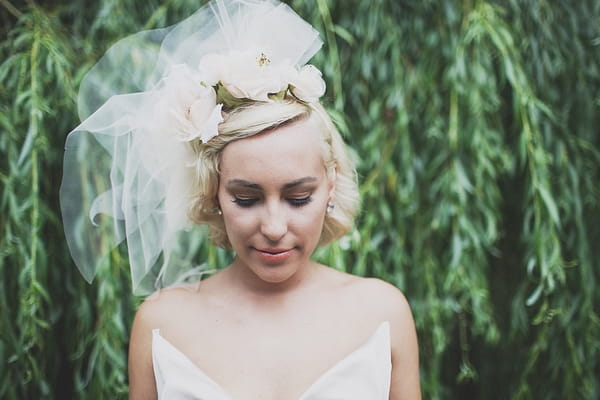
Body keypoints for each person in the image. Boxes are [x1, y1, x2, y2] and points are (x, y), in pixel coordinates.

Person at [60, 0, 420, 399]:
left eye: (298, 197)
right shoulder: (161, 323)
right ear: (214, 190)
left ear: (330, 184)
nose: (274, 227)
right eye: (246, 199)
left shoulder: (382, 313)